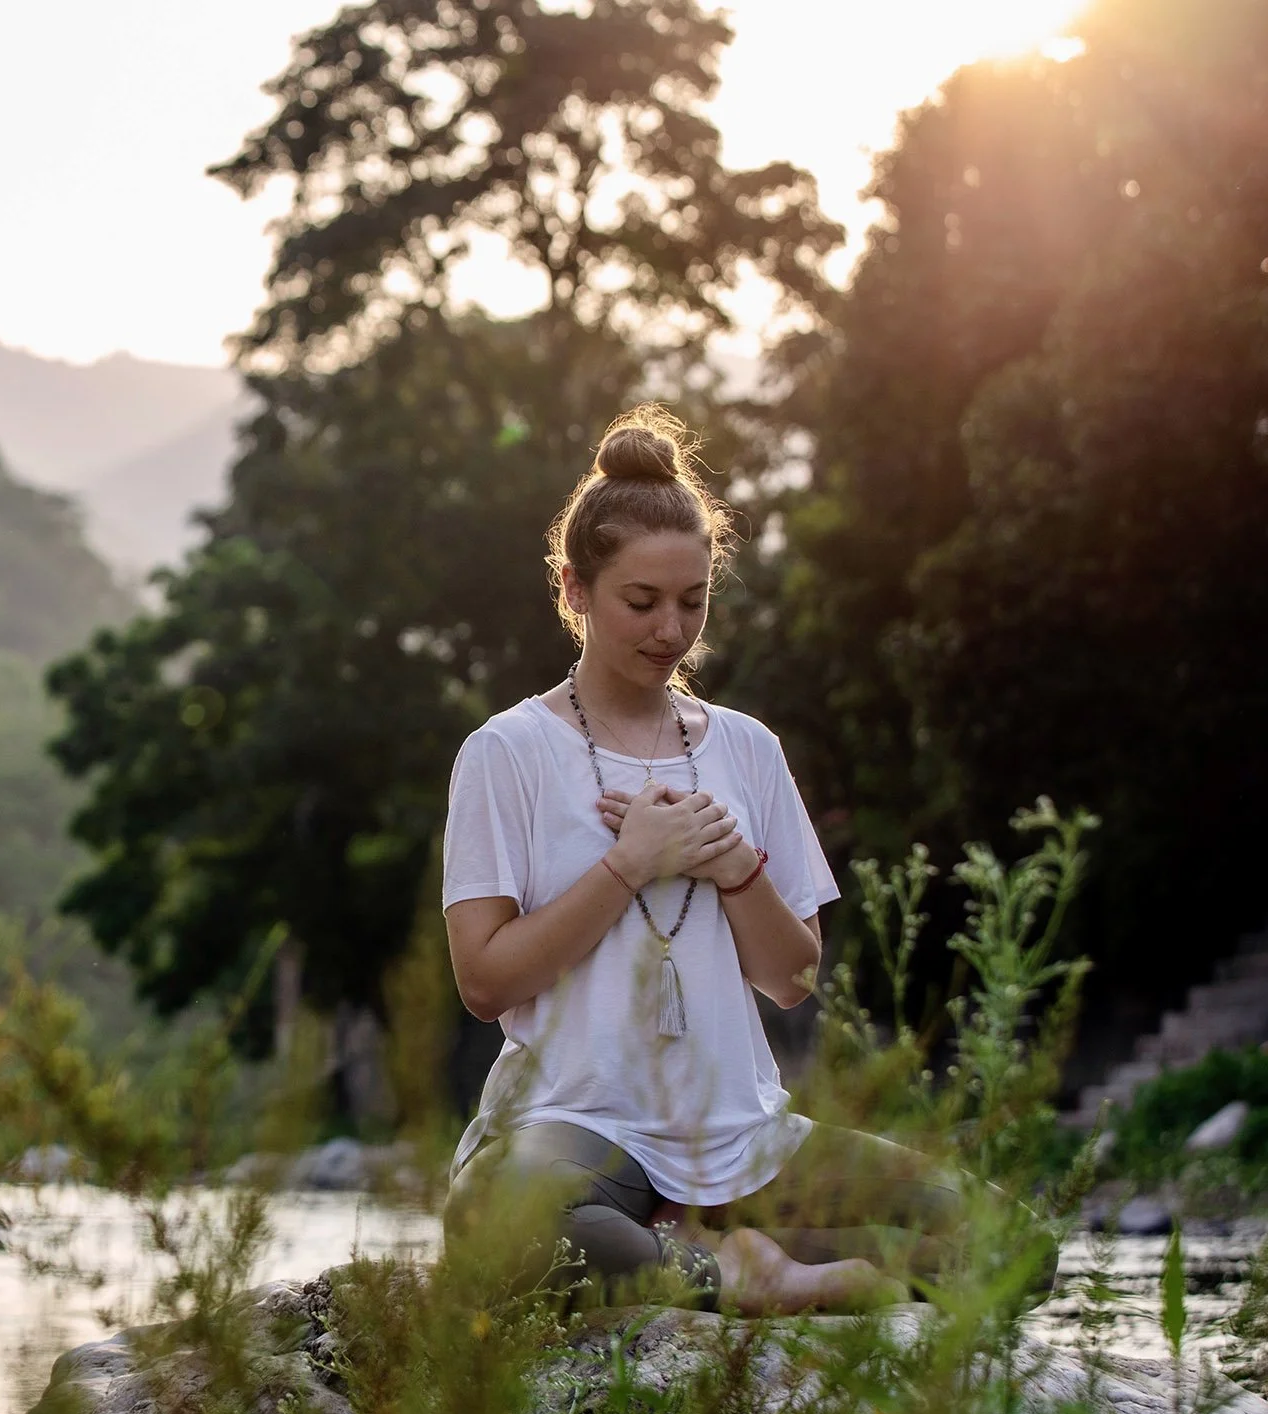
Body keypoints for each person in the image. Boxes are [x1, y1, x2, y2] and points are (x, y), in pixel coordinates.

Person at [439, 406, 1041, 1315]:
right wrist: (628, 864)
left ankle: (727, 1250)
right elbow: (484, 982)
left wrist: (733, 865)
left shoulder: (747, 749)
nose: (670, 630)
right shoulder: (507, 752)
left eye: (694, 600)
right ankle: (744, 1278)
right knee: (504, 1225)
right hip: (578, 1130)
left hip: (744, 1138)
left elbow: (794, 976)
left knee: (1017, 1249)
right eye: (641, 602)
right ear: (575, 590)